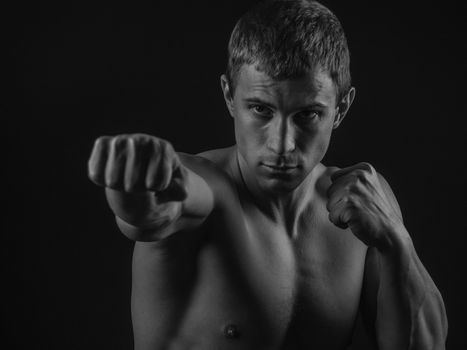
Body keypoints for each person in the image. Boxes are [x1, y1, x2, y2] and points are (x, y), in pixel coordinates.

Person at [87, 1, 448, 349]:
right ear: (230, 96)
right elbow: (153, 212)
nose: (282, 145)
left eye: (308, 115)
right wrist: (135, 184)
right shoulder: (208, 188)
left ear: (341, 109)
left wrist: (396, 241)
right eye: (260, 109)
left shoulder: (362, 202)